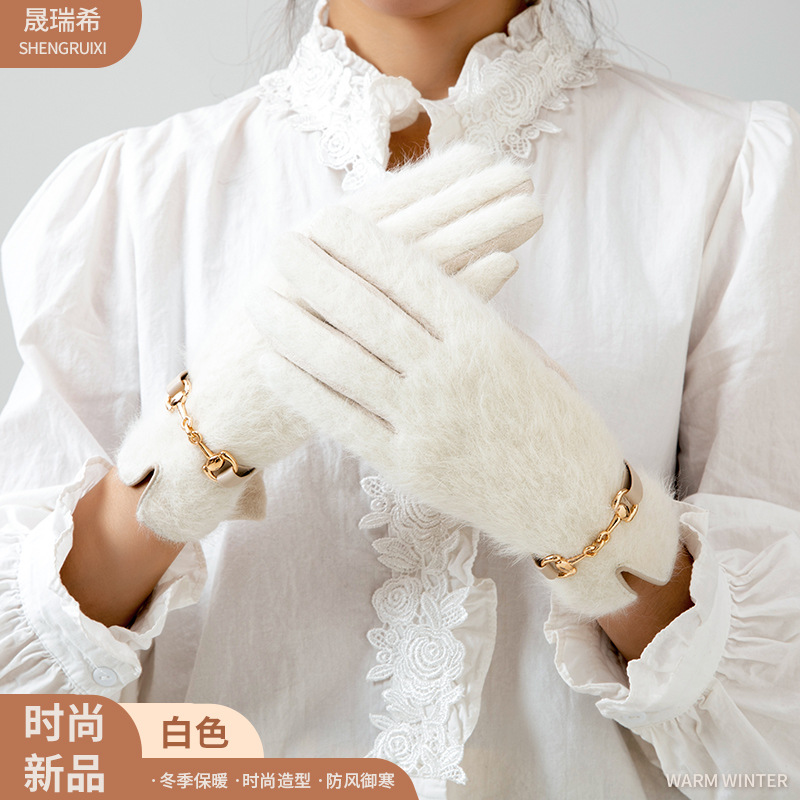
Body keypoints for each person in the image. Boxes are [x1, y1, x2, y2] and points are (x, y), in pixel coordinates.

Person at [1, 0, 798, 797]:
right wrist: (195, 442)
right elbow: (26, 723)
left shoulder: (732, 179)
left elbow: (777, 740)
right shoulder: (132, 199)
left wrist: (581, 508)